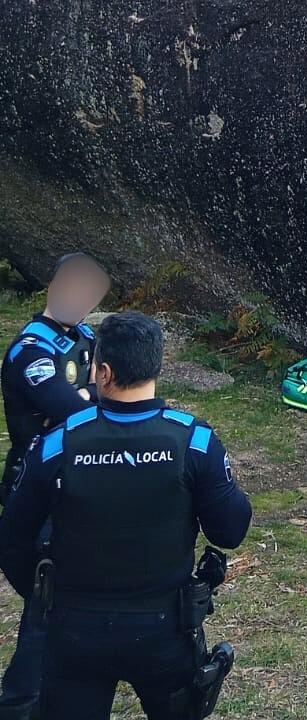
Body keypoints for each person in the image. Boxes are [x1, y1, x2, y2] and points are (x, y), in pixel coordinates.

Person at [0, 310, 251, 720]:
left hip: (75, 628)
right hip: (166, 628)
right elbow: (230, 530)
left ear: (102, 372)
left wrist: (45, 596)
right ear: (156, 366)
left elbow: (11, 538)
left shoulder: (57, 443)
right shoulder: (196, 441)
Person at [0, 251, 110, 718]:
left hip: (80, 479)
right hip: (38, 484)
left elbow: (108, 394)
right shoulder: (31, 350)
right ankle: (20, 700)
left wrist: (89, 398)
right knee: (46, 598)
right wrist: (89, 396)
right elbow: (76, 407)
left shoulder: (85, 336)